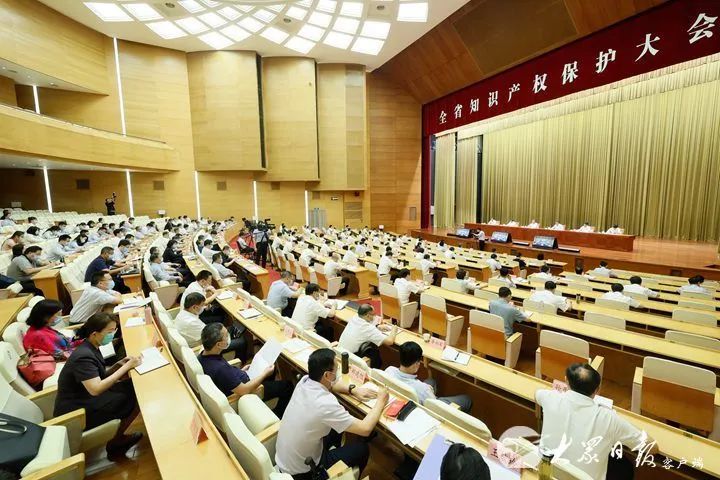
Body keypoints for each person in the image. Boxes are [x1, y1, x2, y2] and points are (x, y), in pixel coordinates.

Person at [275, 348, 388, 479]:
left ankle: (336, 452)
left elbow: (331, 385)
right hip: (304, 472)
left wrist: (353, 390)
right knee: (362, 449)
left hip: (287, 459)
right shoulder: (325, 404)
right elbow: (365, 429)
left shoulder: (304, 381)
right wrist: (381, 400)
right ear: (327, 375)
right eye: (337, 368)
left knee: (336, 427)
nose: (338, 371)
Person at [536, 363, 654, 479]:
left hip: (547, 475)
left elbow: (537, 394)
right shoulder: (609, 418)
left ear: (566, 381)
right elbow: (651, 446)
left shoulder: (549, 397)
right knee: (624, 466)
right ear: (597, 390)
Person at [54, 312, 143, 460]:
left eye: (114, 330)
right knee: (134, 395)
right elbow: (96, 389)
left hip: (84, 398)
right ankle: (116, 442)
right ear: (94, 334)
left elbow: (97, 376)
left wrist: (117, 365)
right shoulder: (83, 356)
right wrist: (126, 367)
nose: (112, 335)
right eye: (109, 332)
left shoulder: (90, 347)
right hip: (78, 411)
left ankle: (117, 439)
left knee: (131, 386)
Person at [198, 323, 293, 416]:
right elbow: (244, 390)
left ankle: (266, 397)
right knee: (287, 386)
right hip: (246, 390)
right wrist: (264, 374)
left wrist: (241, 371)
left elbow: (228, 376)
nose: (229, 336)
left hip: (241, 378)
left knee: (270, 371)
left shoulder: (203, 355)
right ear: (218, 344)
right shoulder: (221, 369)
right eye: (226, 335)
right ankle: (277, 414)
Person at [385, 341, 472, 412]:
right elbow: (434, 406)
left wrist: (427, 389)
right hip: (427, 408)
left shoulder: (389, 370)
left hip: (403, 400)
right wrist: (428, 391)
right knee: (467, 399)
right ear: (416, 364)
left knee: (431, 381)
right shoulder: (423, 389)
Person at [338, 304, 396, 368]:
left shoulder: (355, 317)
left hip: (340, 353)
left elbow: (364, 328)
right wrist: (394, 329)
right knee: (376, 355)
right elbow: (390, 341)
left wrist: (377, 327)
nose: (375, 316)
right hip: (351, 360)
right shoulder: (368, 328)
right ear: (368, 315)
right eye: (373, 314)